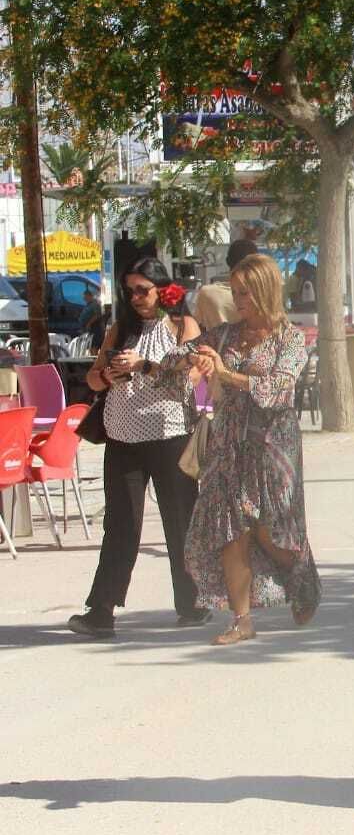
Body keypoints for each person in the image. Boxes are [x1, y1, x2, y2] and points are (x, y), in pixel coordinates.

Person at [168, 254, 320, 644]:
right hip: (227, 443)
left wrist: (226, 375)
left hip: (272, 446)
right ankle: (241, 619)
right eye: (234, 292)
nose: (238, 301)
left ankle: (299, 569)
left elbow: (278, 390)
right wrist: (192, 359)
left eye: (245, 293)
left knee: (269, 530)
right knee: (231, 528)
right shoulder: (223, 335)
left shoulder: (290, 339)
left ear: (266, 290)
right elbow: (176, 358)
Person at [68, 258, 206, 639]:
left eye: (143, 289)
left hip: (170, 435)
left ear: (163, 289)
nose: (136, 298)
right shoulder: (119, 330)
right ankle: (101, 611)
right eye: (130, 291)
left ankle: (192, 602)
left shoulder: (183, 326)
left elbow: (189, 379)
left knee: (179, 521)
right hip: (123, 437)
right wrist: (108, 374)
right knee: (120, 525)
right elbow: (94, 381)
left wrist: (145, 365)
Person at [193, 238, 258, 330]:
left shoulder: (207, 293)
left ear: (227, 261)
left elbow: (198, 328)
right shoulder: (263, 294)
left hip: (216, 343)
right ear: (257, 264)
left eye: (243, 293)